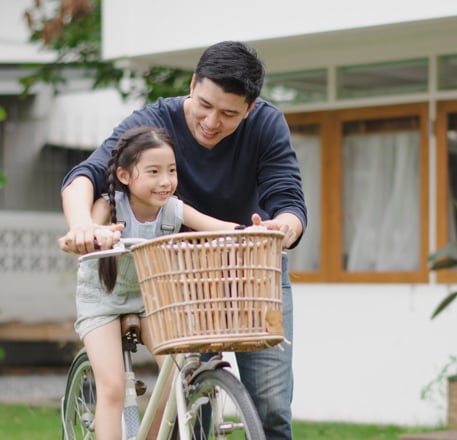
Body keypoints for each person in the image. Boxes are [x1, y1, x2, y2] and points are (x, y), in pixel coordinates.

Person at [59, 41, 307, 439]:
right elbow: (87, 174)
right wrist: (81, 226)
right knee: (188, 400)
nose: (211, 122)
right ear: (192, 84)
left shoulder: (267, 125)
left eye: (229, 114)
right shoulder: (155, 123)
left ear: (250, 108)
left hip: (252, 269)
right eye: (204, 105)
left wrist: (284, 227)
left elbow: (288, 199)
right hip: (181, 279)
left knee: (271, 409)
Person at [72, 125, 267, 440]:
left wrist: (249, 232)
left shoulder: (172, 208)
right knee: (112, 387)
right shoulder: (110, 205)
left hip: (151, 299)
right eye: (153, 171)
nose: (165, 181)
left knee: (178, 374)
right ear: (125, 175)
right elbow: (87, 229)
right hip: (102, 301)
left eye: (172, 171)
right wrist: (98, 235)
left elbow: (217, 227)